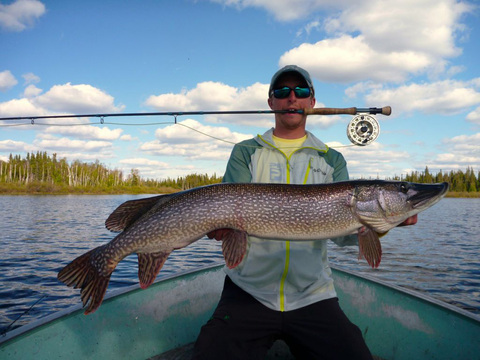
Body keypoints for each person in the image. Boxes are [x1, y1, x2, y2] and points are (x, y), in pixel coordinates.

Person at [192, 65, 413, 359]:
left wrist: (382, 225)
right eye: (282, 92)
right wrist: (219, 229)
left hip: (314, 296)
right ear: (271, 102)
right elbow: (228, 218)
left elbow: (345, 238)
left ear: (312, 102)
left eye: (301, 91)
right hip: (248, 292)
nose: (291, 98)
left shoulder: (331, 159)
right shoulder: (246, 152)